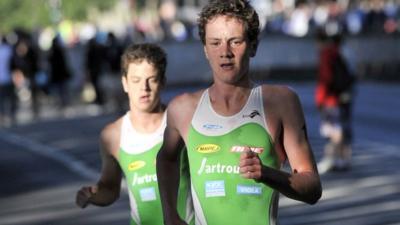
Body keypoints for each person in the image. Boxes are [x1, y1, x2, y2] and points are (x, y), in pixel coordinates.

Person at [156, 1, 322, 225]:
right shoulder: (182, 109)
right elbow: (166, 158)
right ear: (205, 49)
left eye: (235, 41)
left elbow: (312, 188)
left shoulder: (281, 102)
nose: (225, 52)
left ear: (253, 46)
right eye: (215, 43)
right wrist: (170, 214)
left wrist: (266, 174)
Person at [76, 43, 193, 225]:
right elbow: (110, 188)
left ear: (162, 82)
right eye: (136, 80)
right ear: (125, 83)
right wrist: (93, 195)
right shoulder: (112, 135)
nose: (144, 88)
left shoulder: (182, 122)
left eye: (151, 79)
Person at [315, 29, 355, 174]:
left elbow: (326, 80)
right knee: (341, 127)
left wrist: (320, 100)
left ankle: (331, 159)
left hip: (331, 99)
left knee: (334, 130)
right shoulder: (343, 52)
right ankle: (343, 158)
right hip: (342, 95)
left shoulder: (327, 54)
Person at [0, 35, 17, 127]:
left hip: (2, 79)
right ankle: (11, 115)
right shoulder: (9, 50)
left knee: (2, 99)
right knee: (11, 98)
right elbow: (14, 64)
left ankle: (3, 115)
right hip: (9, 78)